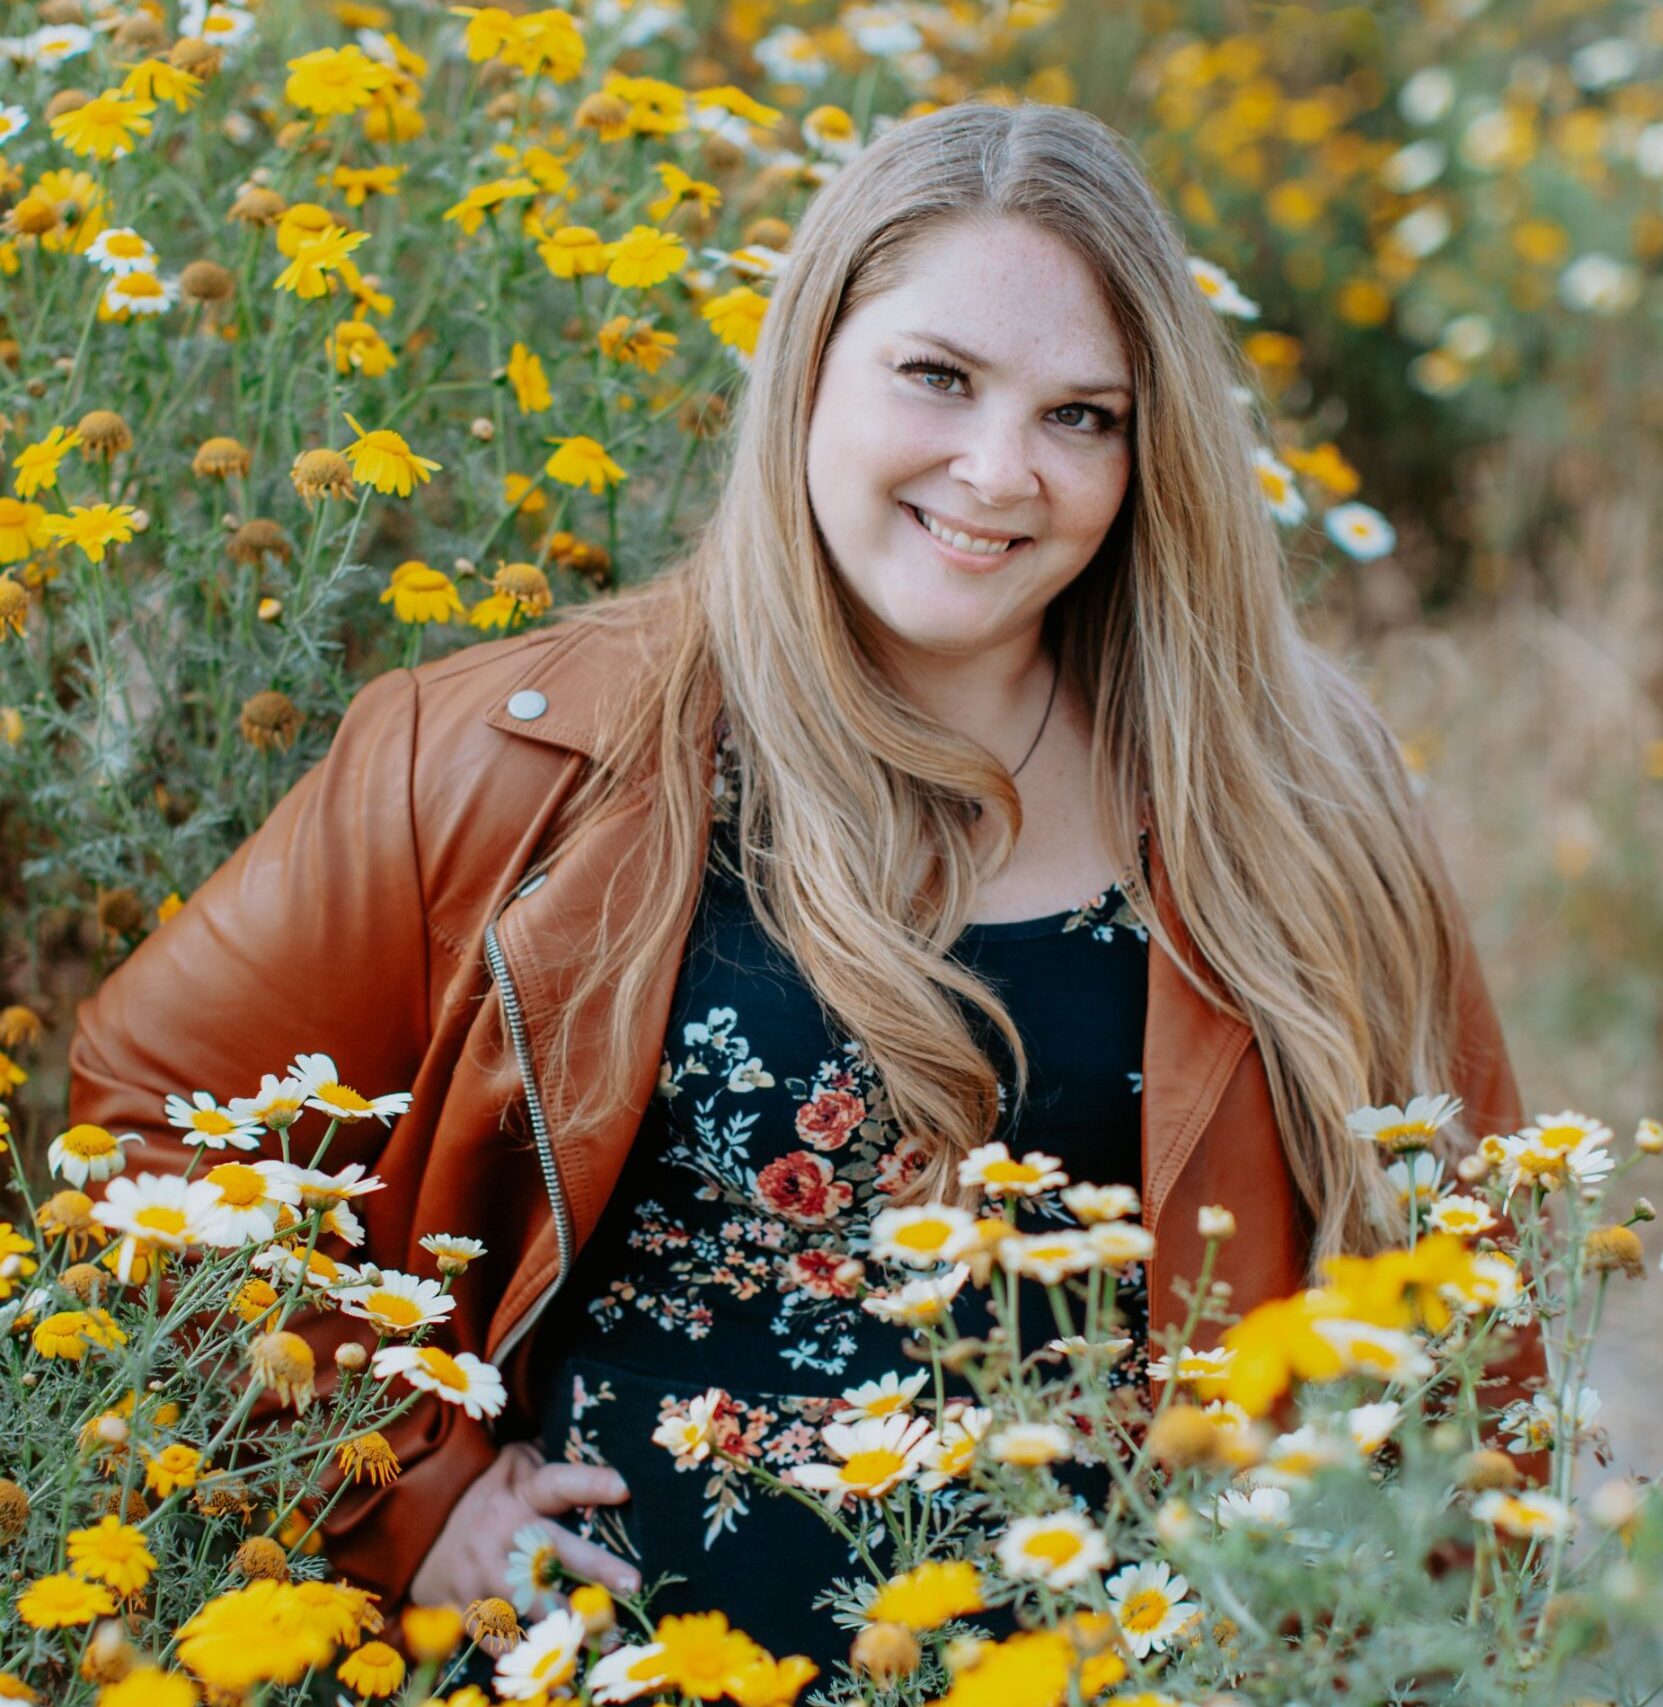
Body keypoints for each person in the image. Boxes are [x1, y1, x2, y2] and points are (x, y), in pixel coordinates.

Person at [68, 100, 1542, 1670]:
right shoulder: (507, 760)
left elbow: (1472, 1268)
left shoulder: (1288, 784)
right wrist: (411, 1497)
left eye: (1082, 417)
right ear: (809, 364)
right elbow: (152, 1119)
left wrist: (1451, 1641)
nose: (999, 472)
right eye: (939, 377)